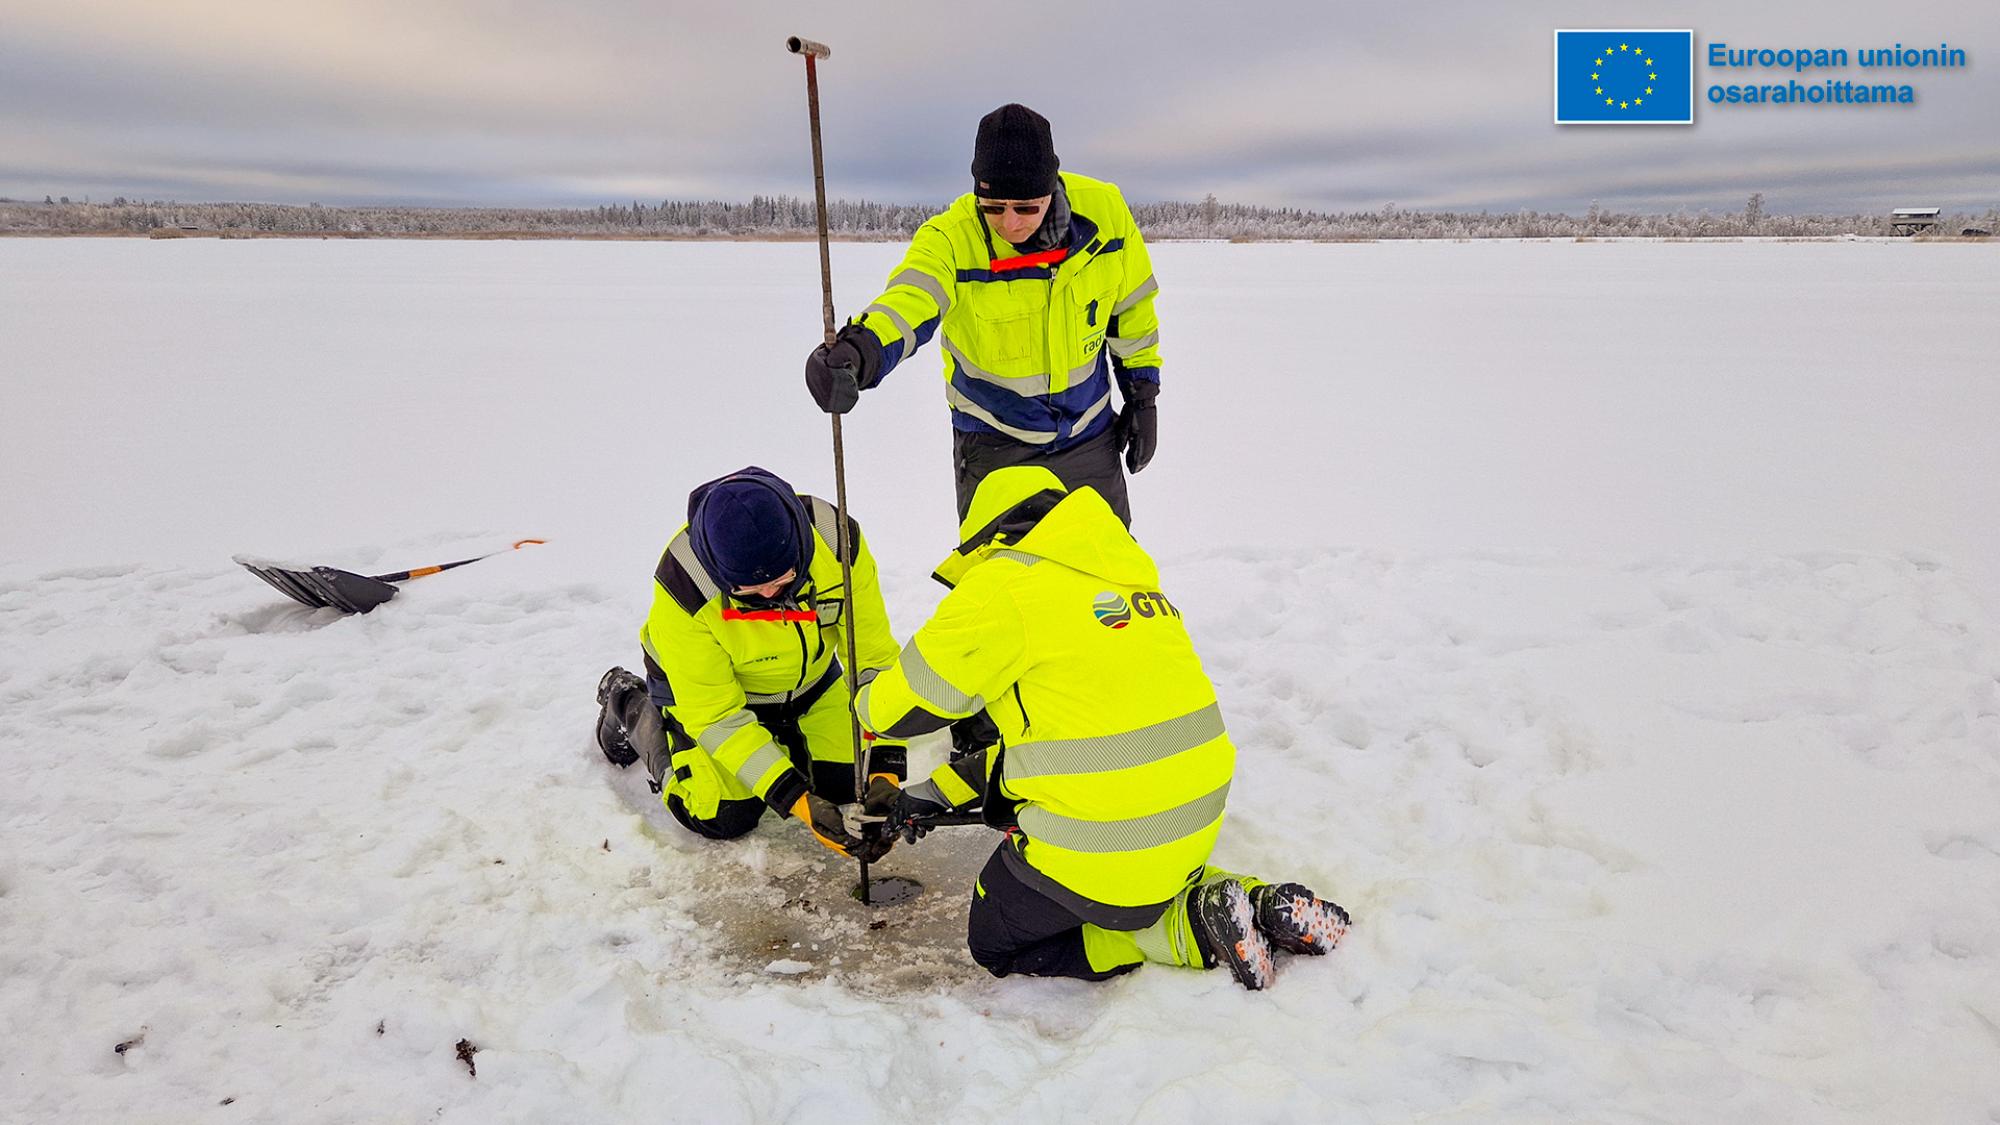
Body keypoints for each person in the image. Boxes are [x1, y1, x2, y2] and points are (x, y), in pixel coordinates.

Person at [853, 466, 1350, 989]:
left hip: (1108, 840)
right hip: (1191, 823)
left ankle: (1189, 930)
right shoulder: (1131, 584)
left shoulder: (1005, 585)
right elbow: (1063, 747)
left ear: (988, 541)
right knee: (1133, 856)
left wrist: (865, 691)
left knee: (996, 939)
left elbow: (893, 712)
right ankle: (1252, 901)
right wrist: (927, 795)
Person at [803, 103, 1164, 528]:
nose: (1009, 223)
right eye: (993, 206)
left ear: (1052, 188)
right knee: (1002, 583)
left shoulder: (1105, 215)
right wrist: (858, 350)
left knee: (1103, 577)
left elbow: (1131, 312)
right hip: (995, 446)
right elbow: (911, 299)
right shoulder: (952, 238)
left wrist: (1142, 398)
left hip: (1088, 439)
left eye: (1026, 208)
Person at [594, 466, 903, 862]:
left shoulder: (836, 542)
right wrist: (798, 802)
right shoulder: (684, 586)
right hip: (713, 697)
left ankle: (791, 741)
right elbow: (718, 717)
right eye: (752, 591)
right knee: (723, 814)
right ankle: (632, 706)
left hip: (812, 684)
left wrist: (886, 770)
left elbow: (876, 663)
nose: (773, 595)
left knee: (848, 786)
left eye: (784, 580)